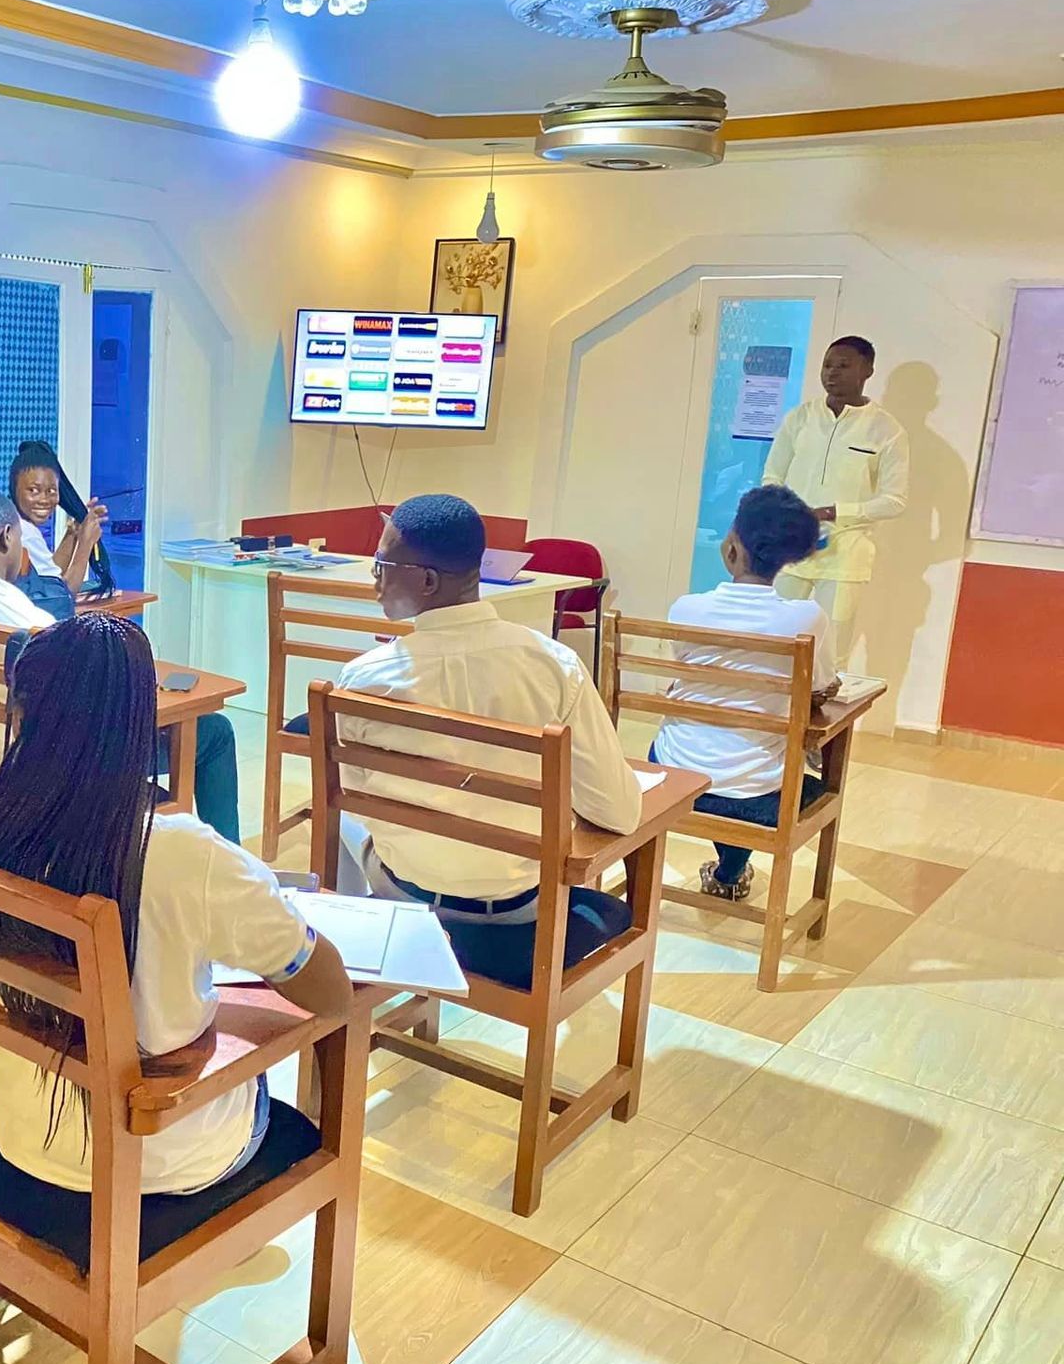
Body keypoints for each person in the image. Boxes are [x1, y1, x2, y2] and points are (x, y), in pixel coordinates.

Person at [0, 612, 353, 1195]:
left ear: (17, 714)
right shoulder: (186, 854)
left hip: (22, 1136)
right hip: (171, 1156)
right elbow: (330, 994)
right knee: (239, 1052)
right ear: (142, 727)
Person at [330, 494, 643, 991]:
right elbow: (619, 814)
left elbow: (357, 799)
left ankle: (353, 962)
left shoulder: (364, 677)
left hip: (404, 894)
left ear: (427, 581)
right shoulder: (554, 667)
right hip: (518, 910)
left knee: (339, 816)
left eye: (382, 567)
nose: (376, 584)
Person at [0, 487, 241, 842]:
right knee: (213, 731)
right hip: (54, 775)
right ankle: (230, 862)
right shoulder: (31, 622)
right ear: (6, 537)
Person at [652, 485, 839, 902]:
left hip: (672, 769)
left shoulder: (686, 608)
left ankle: (722, 873)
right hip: (755, 791)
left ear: (732, 549)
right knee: (763, 767)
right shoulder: (806, 617)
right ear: (790, 559)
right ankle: (730, 873)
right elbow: (822, 686)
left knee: (720, 748)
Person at [761, 335, 909, 645]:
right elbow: (772, 476)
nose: (832, 373)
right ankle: (775, 694)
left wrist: (833, 512)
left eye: (843, 365)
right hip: (793, 546)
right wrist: (787, 514)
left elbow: (895, 501)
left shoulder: (886, 430)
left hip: (845, 551)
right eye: (827, 365)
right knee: (774, 636)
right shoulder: (800, 417)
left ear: (867, 370)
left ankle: (824, 695)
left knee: (832, 646)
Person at [8, 440, 107, 616]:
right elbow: (64, 595)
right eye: (33, 490)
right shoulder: (25, 534)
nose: (44, 499)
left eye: (52, 491)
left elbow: (51, 581)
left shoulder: (15, 522)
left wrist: (74, 533)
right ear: (14, 488)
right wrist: (86, 544)